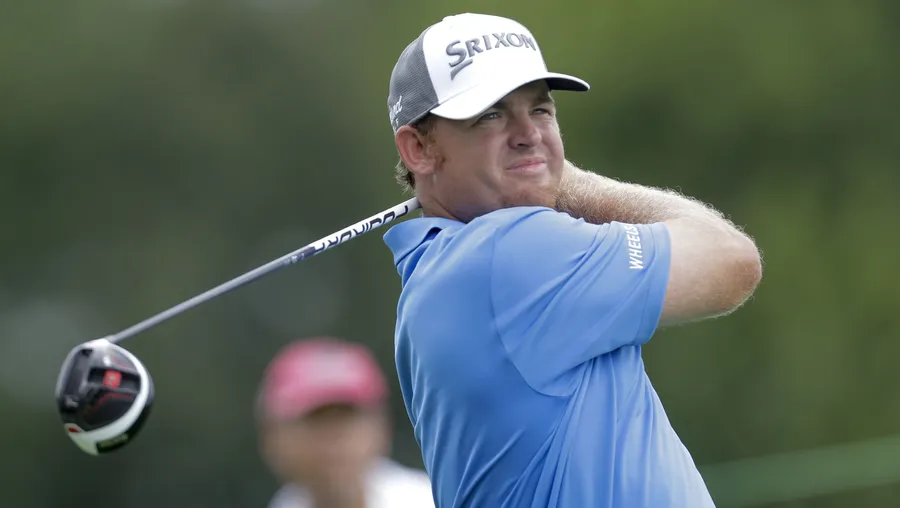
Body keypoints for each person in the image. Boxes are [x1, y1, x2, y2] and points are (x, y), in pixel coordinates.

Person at [381, 12, 763, 508]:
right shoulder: (508, 252)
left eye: (540, 109)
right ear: (418, 148)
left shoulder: (432, 275)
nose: (528, 134)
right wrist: (569, 182)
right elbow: (731, 260)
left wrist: (535, 175)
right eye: (490, 115)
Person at [255, 336, 435, 508]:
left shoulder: (430, 501)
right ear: (273, 438)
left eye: (347, 419)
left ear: (381, 427)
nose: (333, 439)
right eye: (316, 421)